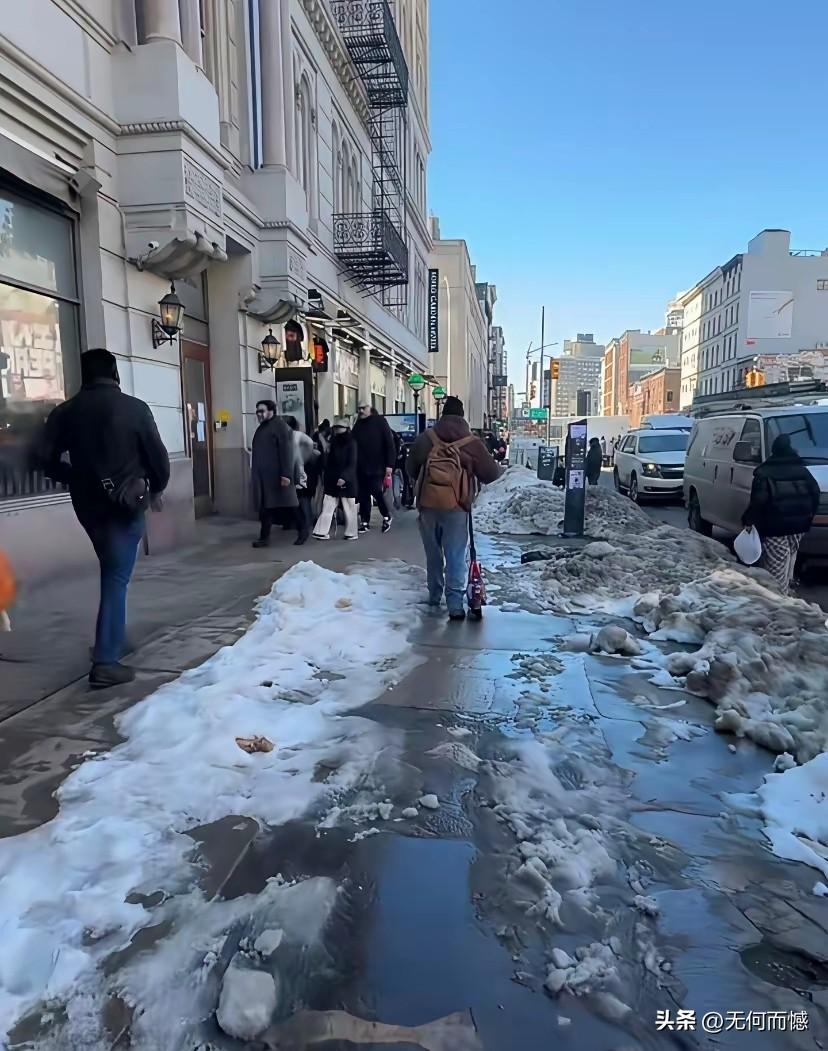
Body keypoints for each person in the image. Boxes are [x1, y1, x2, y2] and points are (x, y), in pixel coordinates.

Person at [40, 348, 170, 687]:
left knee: (112, 569)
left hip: (87, 506)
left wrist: (73, 477)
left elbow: (43, 458)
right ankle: (105, 662)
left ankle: (113, 638)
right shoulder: (134, 408)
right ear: (114, 373)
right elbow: (159, 460)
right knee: (115, 576)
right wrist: (156, 488)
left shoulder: (65, 412)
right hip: (125, 505)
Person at [407, 396, 501, 621]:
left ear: (442, 415)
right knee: (456, 555)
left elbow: (410, 468)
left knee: (433, 554)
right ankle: (455, 605)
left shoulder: (426, 438)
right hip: (457, 506)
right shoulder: (471, 442)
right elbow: (491, 474)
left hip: (428, 505)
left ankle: (434, 596)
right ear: (462, 416)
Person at [742, 433, 820, 593]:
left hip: (774, 527)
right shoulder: (803, 471)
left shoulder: (765, 473)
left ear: (774, 450)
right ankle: (787, 590)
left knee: (776, 569)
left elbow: (758, 501)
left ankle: (779, 599)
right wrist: (809, 516)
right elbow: (815, 494)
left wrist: (748, 520)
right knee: (789, 558)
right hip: (799, 526)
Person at [250, 401, 298, 548]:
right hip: (265, 476)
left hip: (276, 476)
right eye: (257, 411)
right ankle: (264, 537)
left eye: (262, 411)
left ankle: (303, 529)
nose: (259, 414)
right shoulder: (263, 427)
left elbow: (286, 452)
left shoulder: (280, 427)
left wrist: (286, 474)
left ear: (271, 411)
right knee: (267, 507)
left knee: (290, 506)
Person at [352, 403, 396, 533]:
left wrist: (389, 465)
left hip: (377, 465)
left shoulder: (380, 422)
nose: (361, 411)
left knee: (376, 491)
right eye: (359, 409)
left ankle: (386, 515)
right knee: (363, 494)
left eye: (363, 408)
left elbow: (389, 444)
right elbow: (352, 442)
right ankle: (365, 521)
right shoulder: (358, 425)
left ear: (370, 409)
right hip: (361, 466)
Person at [313, 418, 359, 540]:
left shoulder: (351, 443)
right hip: (333, 479)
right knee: (329, 505)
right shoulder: (333, 442)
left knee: (349, 507)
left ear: (346, 429)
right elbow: (328, 461)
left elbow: (352, 463)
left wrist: (344, 477)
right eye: (336, 427)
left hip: (345, 480)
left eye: (340, 427)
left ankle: (351, 532)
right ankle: (321, 531)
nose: (337, 430)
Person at [285, 416, 317, 545]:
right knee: (301, 501)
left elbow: (307, 446)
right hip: (301, 472)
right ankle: (304, 525)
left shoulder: (294, 436)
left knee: (302, 501)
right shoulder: (295, 437)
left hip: (300, 473)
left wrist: (304, 458)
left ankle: (305, 526)